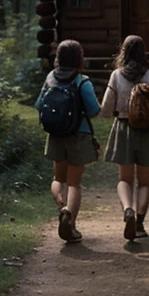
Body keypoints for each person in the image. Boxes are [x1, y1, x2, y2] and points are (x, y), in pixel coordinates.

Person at [100, 35, 149, 240]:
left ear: (124, 52)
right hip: (148, 131)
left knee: (124, 179)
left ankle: (127, 209)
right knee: (145, 181)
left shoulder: (116, 76)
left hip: (123, 128)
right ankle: (139, 223)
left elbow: (105, 109)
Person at [35, 39, 101, 243]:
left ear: (58, 58)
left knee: (58, 179)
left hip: (55, 135)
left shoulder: (50, 79)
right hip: (78, 135)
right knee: (75, 183)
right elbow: (93, 110)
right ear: (79, 58)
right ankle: (70, 224)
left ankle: (61, 205)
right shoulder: (82, 81)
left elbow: (39, 105)